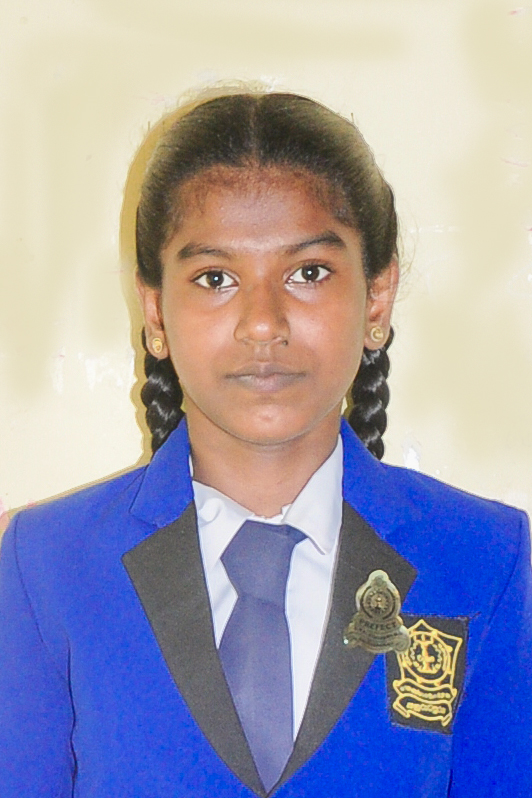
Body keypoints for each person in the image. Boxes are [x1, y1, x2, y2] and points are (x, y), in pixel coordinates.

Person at [0, 89, 531, 798]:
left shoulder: (487, 557)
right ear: (155, 312)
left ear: (376, 297)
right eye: (215, 278)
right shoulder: (45, 563)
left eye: (307, 273)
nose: (262, 322)